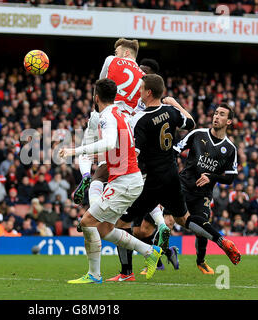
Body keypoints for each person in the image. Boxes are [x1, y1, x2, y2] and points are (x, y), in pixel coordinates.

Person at [109, 75, 240, 282]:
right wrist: (175, 104)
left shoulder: (140, 119)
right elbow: (190, 122)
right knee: (184, 219)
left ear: (148, 92)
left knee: (122, 222)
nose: (140, 92)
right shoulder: (170, 112)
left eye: (142, 88)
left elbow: (135, 154)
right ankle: (220, 240)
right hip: (172, 177)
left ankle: (127, 272)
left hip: (153, 179)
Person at [59, 78, 162, 284]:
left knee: (87, 222)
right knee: (104, 229)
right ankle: (149, 251)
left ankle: (94, 275)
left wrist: (74, 151)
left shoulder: (107, 117)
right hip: (127, 179)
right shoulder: (120, 114)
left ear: (96, 98)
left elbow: (107, 143)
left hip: (124, 181)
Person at [74, 38, 146, 207]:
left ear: (126, 52)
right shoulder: (145, 77)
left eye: (117, 51)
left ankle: (85, 176)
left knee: (87, 153)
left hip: (106, 114)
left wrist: (96, 110)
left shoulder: (111, 60)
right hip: (126, 124)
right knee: (108, 167)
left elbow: (101, 85)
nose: (116, 54)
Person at [172, 103, 239, 274]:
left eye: (222, 114)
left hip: (203, 193)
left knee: (202, 228)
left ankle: (201, 262)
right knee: (168, 221)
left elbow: (230, 178)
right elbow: (174, 151)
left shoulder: (230, 149)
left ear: (229, 121)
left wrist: (212, 176)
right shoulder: (197, 134)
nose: (216, 116)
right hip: (183, 186)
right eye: (215, 113)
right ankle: (155, 260)